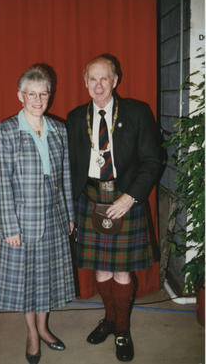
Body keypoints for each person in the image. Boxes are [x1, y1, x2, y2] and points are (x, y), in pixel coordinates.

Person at [66, 54, 161, 362]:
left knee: (121, 270)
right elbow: (70, 166)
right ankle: (109, 319)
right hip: (91, 200)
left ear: (115, 80)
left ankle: (122, 329)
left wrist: (130, 197)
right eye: (92, 78)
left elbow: (153, 160)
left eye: (104, 78)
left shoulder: (136, 112)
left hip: (124, 199)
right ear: (85, 83)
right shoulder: (75, 117)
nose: (98, 85)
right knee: (101, 268)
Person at [0, 64, 75, 364]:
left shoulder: (59, 130)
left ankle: (44, 328)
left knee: (48, 280)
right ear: (20, 96)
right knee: (28, 282)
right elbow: (2, 182)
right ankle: (31, 333)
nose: (38, 100)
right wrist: (9, 226)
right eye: (31, 94)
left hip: (53, 219)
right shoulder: (5, 131)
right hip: (23, 222)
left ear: (49, 96)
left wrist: (68, 216)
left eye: (43, 94)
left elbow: (64, 177)